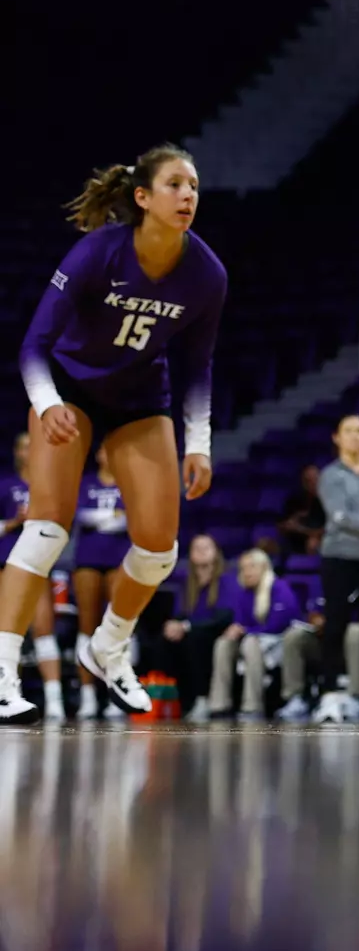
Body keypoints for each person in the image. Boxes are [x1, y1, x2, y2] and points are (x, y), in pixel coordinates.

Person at [0, 144, 225, 724]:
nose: (188, 196)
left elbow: (198, 367)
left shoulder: (206, 273)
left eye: (194, 187)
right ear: (142, 197)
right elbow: (33, 345)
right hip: (69, 388)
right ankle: (2, 672)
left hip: (139, 399)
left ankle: (107, 646)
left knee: (159, 550)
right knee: (46, 528)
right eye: (175, 185)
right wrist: (48, 404)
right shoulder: (97, 252)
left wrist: (198, 443)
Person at [313, 414, 359, 723]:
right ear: (337, 437)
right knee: (335, 625)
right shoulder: (330, 474)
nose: (355, 436)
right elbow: (339, 517)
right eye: (349, 431)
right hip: (339, 557)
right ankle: (329, 694)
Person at [0, 434, 65, 721]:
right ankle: (9, 694)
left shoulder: (49, 486)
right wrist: (15, 521)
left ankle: (55, 702)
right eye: (25, 447)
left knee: (43, 629)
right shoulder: (5, 485)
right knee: (8, 632)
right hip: (6, 562)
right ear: (17, 452)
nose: (30, 452)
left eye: (33, 446)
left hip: (39, 562)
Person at [70, 444, 131, 720]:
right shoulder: (86, 482)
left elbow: (133, 517)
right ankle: (87, 696)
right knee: (87, 625)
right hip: (88, 558)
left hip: (120, 557)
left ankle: (117, 694)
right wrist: (111, 517)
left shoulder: (129, 482)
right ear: (98, 455)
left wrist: (105, 519)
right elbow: (78, 514)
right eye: (106, 449)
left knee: (118, 627)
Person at [209, 548, 298, 720]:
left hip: (279, 642)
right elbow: (240, 621)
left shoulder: (279, 587)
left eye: (252, 567)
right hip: (253, 640)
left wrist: (246, 631)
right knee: (223, 643)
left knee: (251, 642)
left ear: (264, 567)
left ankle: (252, 706)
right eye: (243, 568)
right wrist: (235, 630)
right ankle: (219, 704)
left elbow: (278, 625)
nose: (247, 572)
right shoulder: (244, 593)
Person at [160, 534, 233, 722]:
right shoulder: (187, 583)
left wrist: (186, 626)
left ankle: (202, 698)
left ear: (216, 553)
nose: (201, 551)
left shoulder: (225, 579)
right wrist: (173, 624)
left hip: (216, 632)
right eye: (196, 548)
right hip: (191, 631)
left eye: (206, 547)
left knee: (195, 639)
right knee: (165, 640)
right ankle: (172, 699)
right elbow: (180, 613)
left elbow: (223, 617)